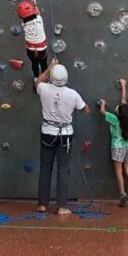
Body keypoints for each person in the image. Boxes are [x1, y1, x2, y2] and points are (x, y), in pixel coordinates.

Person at [34, 60, 89, 215]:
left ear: (51, 76)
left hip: (47, 133)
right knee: (63, 170)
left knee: (45, 168)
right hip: (65, 135)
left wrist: (49, 67)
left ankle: (42, 204)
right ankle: (62, 206)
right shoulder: (73, 94)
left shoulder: (44, 89)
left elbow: (38, 81)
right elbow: (85, 110)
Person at [98, 77, 128, 206]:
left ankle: (122, 194)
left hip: (117, 147)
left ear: (118, 113)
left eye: (118, 107)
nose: (118, 106)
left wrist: (103, 102)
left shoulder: (114, 119)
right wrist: (123, 85)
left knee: (118, 171)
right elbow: (123, 101)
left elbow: (102, 111)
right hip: (127, 146)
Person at [16, 0, 49, 77]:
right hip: (42, 49)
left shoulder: (24, 24)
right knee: (44, 63)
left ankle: (36, 78)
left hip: (30, 50)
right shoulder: (39, 19)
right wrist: (35, 4)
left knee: (34, 64)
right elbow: (38, 13)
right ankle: (44, 78)